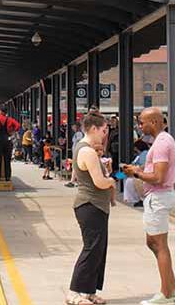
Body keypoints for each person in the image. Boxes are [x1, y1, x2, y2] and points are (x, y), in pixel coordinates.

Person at [122, 107, 175, 304]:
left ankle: (165, 293)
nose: (140, 126)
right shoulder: (160, 142)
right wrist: (139, 169)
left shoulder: (162, 143)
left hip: (159, 196)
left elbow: (158, 177)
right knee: (153, 242)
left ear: (155, 122)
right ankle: (173, 289)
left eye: (142, 122)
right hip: (157, 196)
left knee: (159, 244)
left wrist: (136, 174)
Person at [67, 112, 116, 305]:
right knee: (91, 248)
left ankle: (88, 290)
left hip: (96, 206)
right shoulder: (87, 151)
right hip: (90, 205)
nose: (105, 134)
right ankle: (74, 292)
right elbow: (99, 182)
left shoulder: (87, 149)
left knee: (99, 250)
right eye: (104, 130)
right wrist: (111, 180)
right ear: (94, 129)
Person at [0, 105, 20, 181]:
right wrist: (12, 131)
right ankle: (8, 177)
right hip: (8, 141)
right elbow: (18, 125)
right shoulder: (10, 119)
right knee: (7, 160)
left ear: (1, 111)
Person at [124, 139, 151, 206]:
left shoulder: (144, 154)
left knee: (127, 178)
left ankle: (134, 198)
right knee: (123, 175)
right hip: (134, 172)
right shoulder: (140, 155)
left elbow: (142, 166)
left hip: (139, 174)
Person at [66, 122, 85, 187]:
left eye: (74, 127)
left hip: (77, 152)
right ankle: (75, 180)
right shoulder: (77, 133)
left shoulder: (79, 134)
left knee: (75, 166)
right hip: (76, 151)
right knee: (75, 166)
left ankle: (73, 181)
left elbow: (79, 141)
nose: (72, 128)